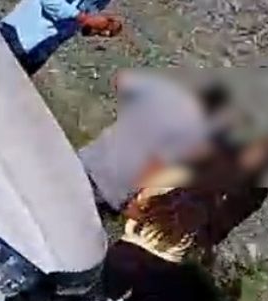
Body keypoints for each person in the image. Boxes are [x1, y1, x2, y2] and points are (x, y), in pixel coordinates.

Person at [100, 135, 268, 301]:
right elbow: (215, 232)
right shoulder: (221, 177)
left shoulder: (244, 189)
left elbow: (139, 205)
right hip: (150, 256)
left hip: (150, 254)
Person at [80, 71, 236, 219]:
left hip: (87, 160)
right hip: (107, 191)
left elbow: (121, 79)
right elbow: (154, 170)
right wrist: (128, 206)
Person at [0, 0, 124, 76]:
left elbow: (78, 21)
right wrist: (86, 19)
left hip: (39, 52)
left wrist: (97, 28)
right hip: (18, 34)